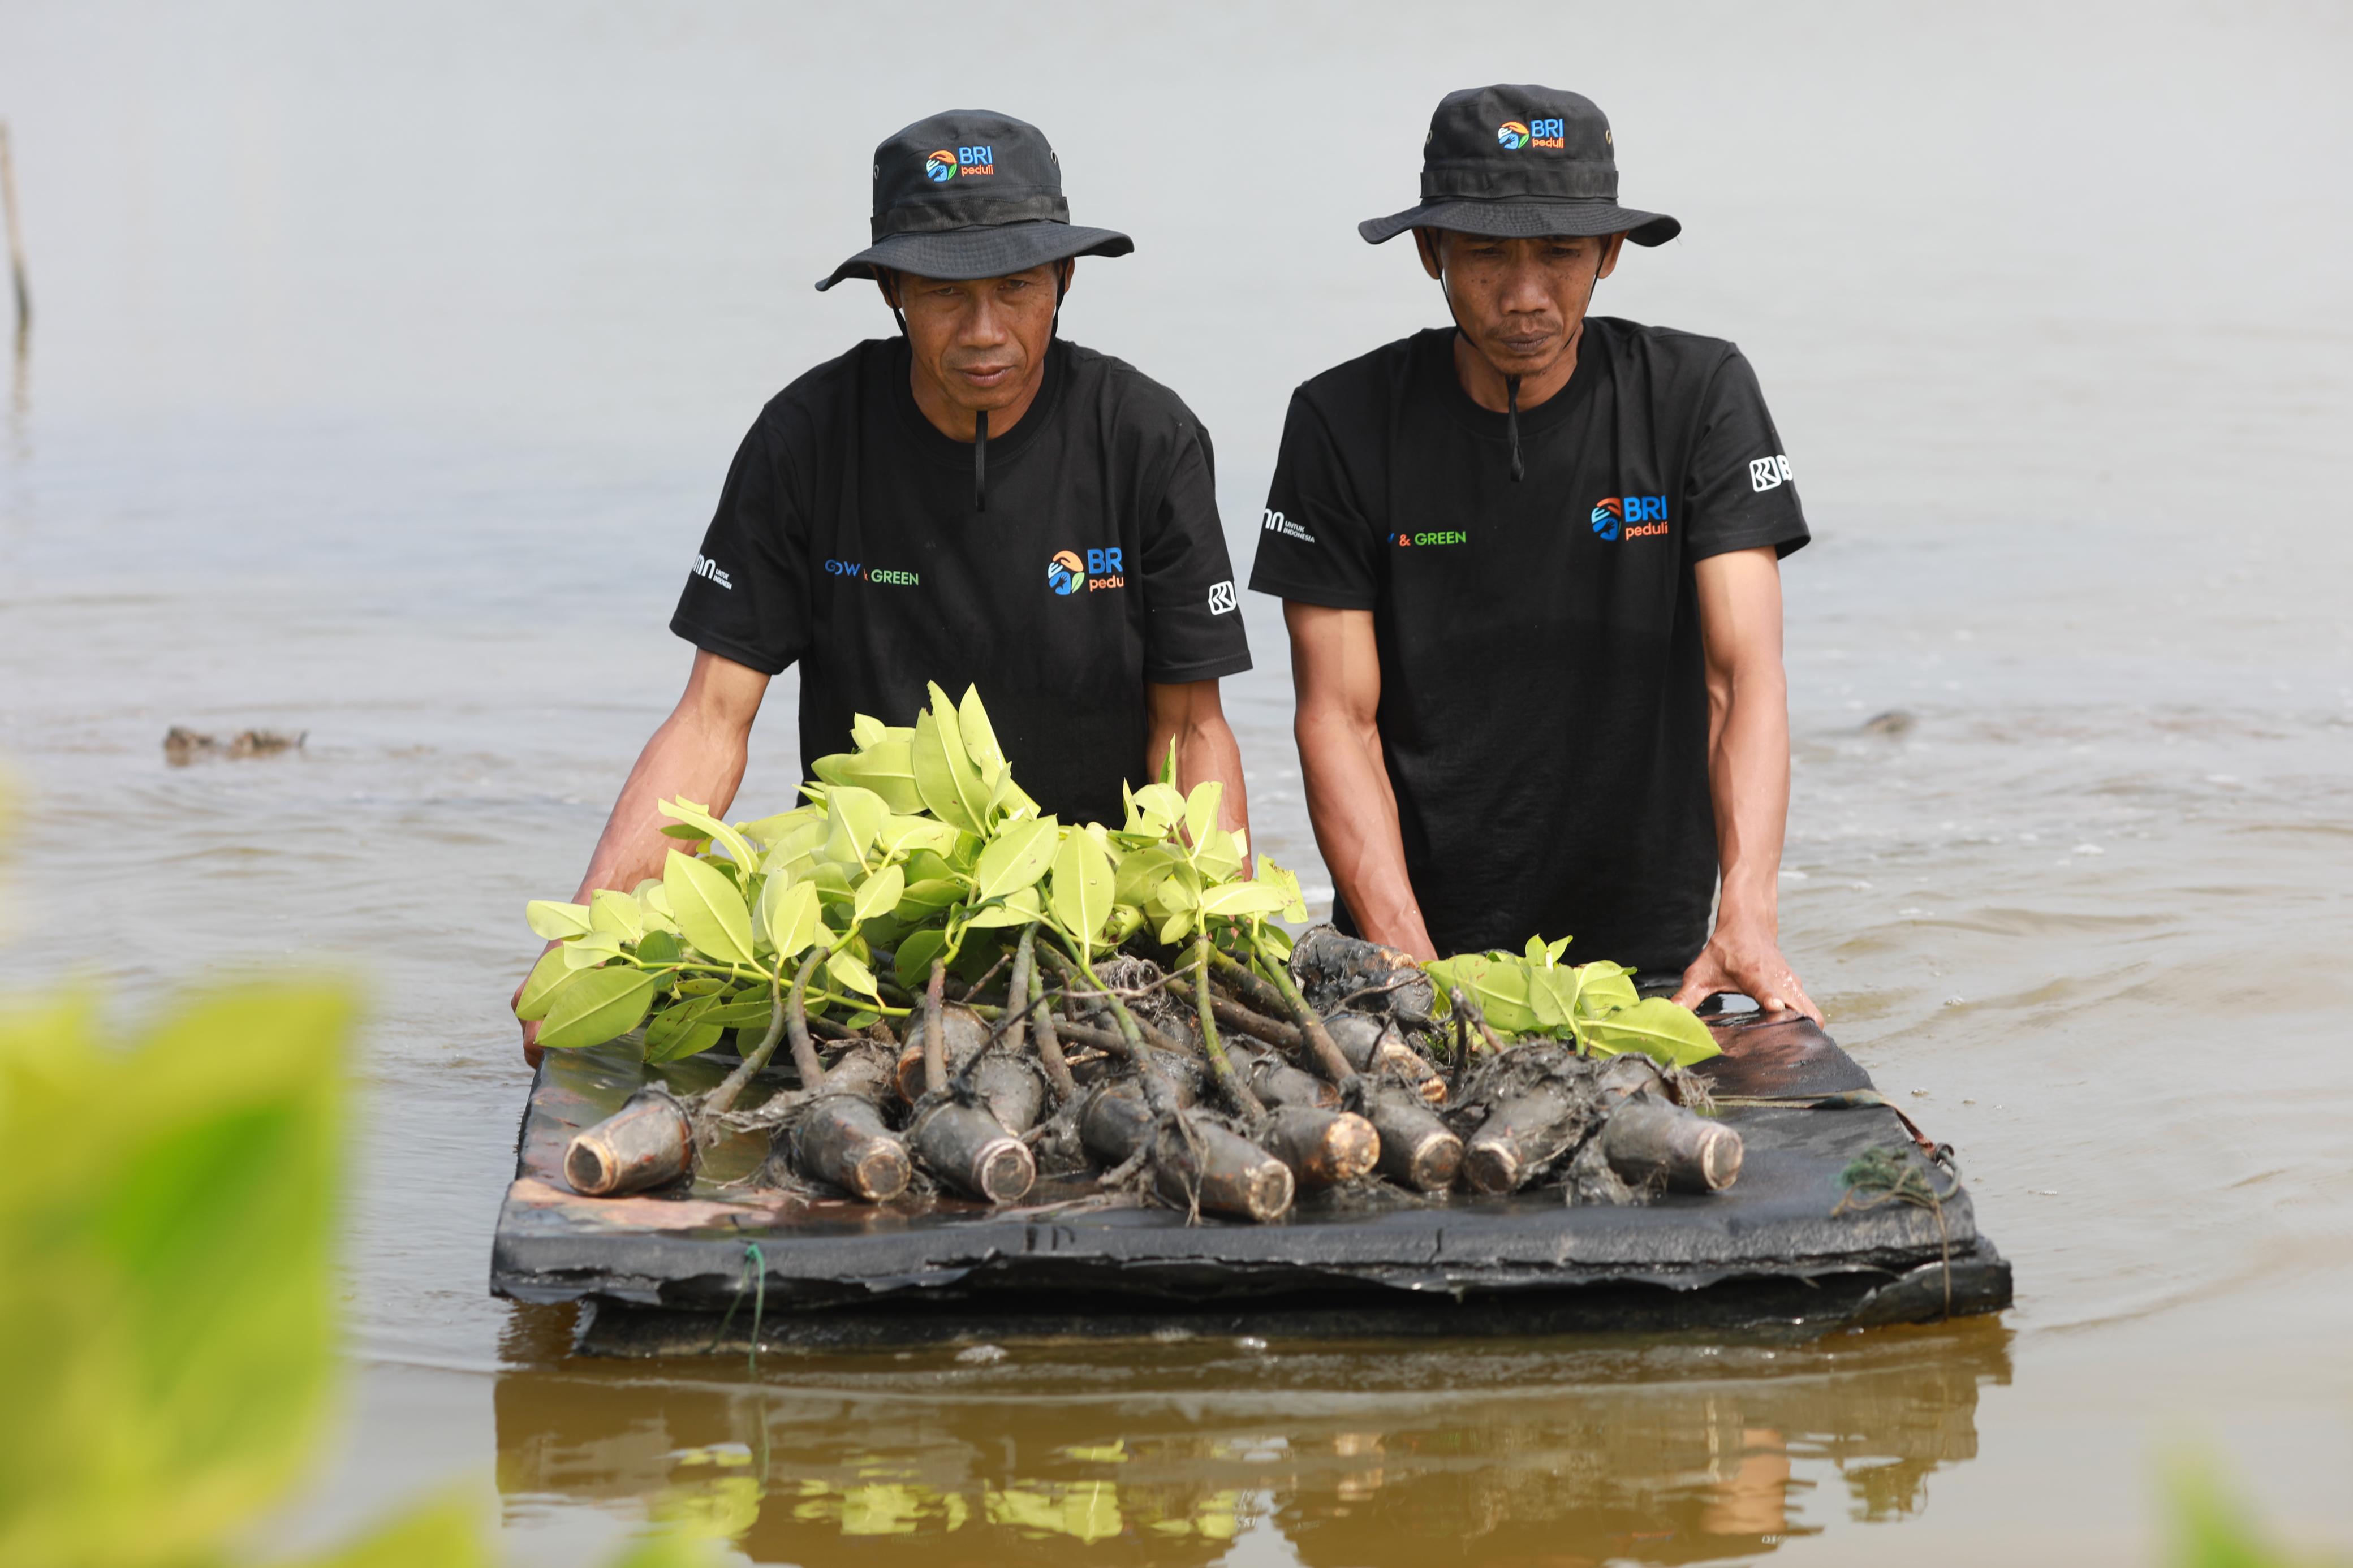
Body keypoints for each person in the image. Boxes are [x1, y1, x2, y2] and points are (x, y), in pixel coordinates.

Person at [515, 110, 1253, 1059]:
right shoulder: (808, 437)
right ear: (895, 289)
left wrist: (1217, 939)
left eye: (1016, 287)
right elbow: (711, 719)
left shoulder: (1148, 439)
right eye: (947, 292)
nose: (984, 331)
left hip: (1088, 923)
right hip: (865, 925)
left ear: (1064, 282)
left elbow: (1192, 729)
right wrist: (585, 938)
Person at [1248, 84, 1820, 1021]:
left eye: (1559, 253)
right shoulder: (1341, 421)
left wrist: (1746, 913)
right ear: (1431, 251)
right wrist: (1406, 963)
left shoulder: (1699, 395)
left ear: (1609, 251)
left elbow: (1742, 678)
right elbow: (1337, 718)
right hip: (1419, 957)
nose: (1524, 297)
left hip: (1663, 962)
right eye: (1484, 255)